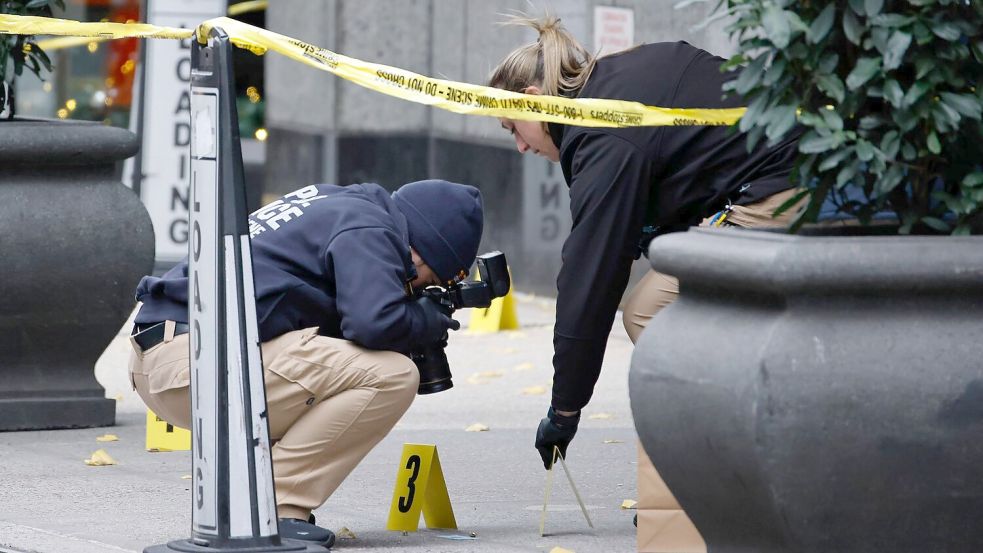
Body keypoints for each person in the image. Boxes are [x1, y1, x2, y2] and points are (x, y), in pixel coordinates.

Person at [488, 15, 804, 470]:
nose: (519, 146)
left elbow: (590, 278)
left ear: (535, 102)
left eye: (513, 127)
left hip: (781, 188)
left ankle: (728, 467)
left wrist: (564, 409)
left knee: (650, 310)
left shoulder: (600, 135)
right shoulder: (617, 78)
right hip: (789, 170)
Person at [128, 179, 483, 548]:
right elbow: (372, 322)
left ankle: (248, 502)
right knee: (391, 376)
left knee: (336, 372)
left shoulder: (342, 203)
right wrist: (427, 319)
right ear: (421, 254)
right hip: (195, 363)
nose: (417, 289)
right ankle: (275, 509)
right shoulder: (371, 229)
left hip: (167, 356)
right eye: (430, 282)